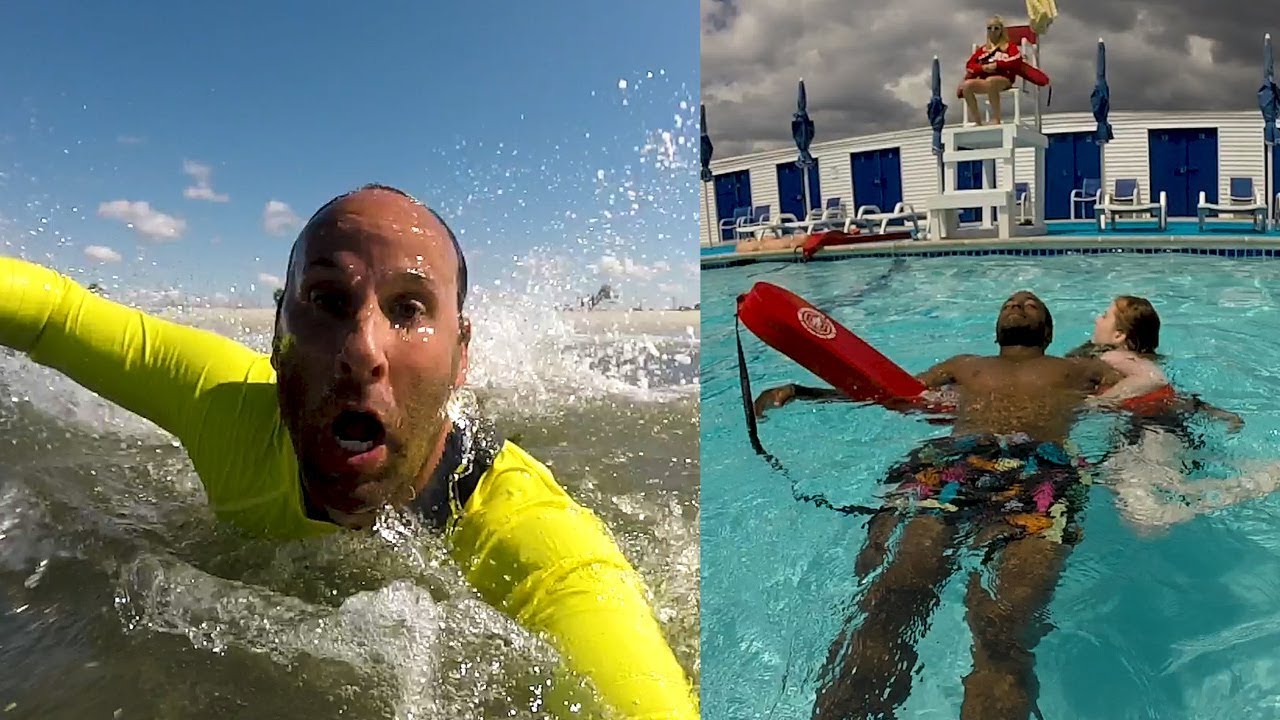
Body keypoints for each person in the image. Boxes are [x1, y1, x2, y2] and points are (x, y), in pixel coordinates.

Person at [0, 184, 697, 719]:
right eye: (328, 299)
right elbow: (56, 314)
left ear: (461, 358)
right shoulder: (224, 408)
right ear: (278, 331)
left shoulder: (532, 539)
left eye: (410, 310)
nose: (363, 350)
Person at [768, 291, 1126, 719]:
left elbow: (1151, 396)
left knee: (1002, 623)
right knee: (896, 591)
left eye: (1031, 305)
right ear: (996, 328)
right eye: (1011, 303)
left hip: (1038, 472)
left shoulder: (1078, 369)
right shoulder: (963, 365)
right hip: (951, 468)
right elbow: (893, 392)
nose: (1019, 305)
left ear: (1047, 332)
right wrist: (808, 392)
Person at [959, 15, 1020, 126]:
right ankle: (978, 121)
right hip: (985, 80)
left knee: (991, 81)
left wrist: (997, 65)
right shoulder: (983, 50)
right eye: (989, 28)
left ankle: (997, 119)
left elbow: (1016, 61)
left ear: (1001, 30)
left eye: (996, 28)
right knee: (967, 86)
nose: (992, 31)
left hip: (1004, 79)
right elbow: (970, 65)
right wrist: (982, 68)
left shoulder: (1009, 47)